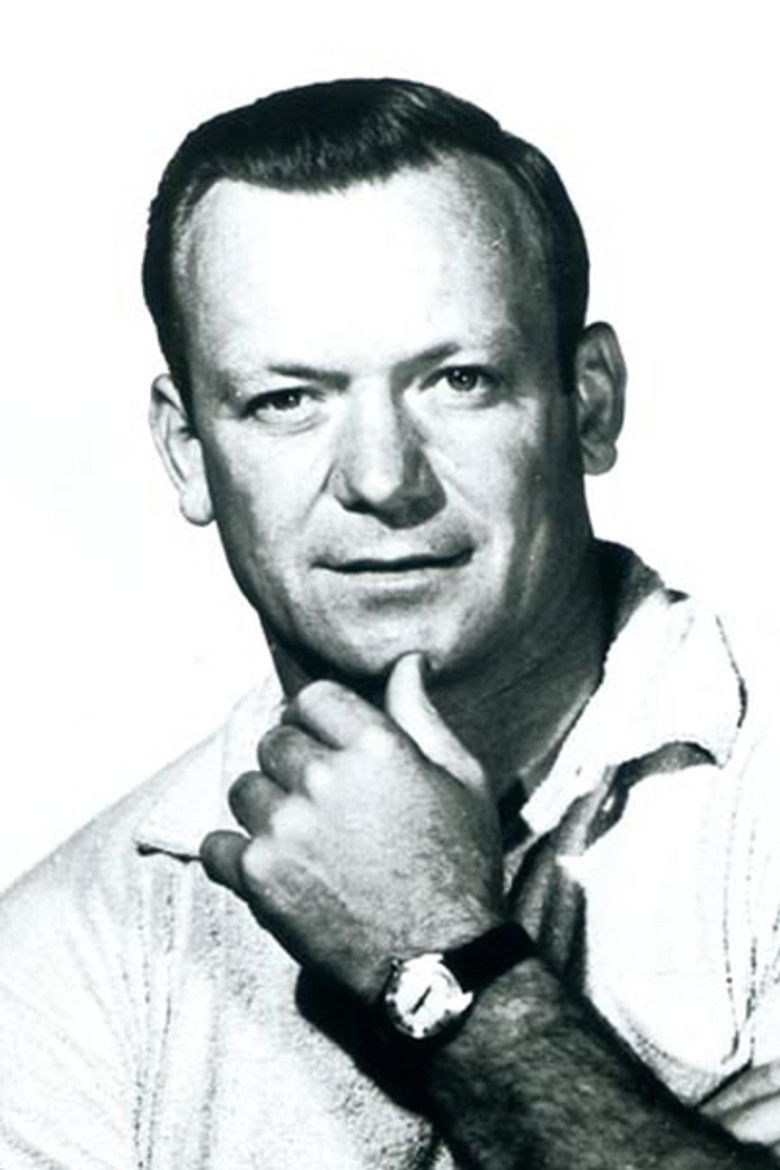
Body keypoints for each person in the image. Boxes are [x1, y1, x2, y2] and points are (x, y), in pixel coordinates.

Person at [1, 77, 779, 1170]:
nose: (380, 478)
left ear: (591, 401)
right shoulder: (71, 949)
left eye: (459, 381)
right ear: (187, 452)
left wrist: (437, 956)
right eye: (287, 401)